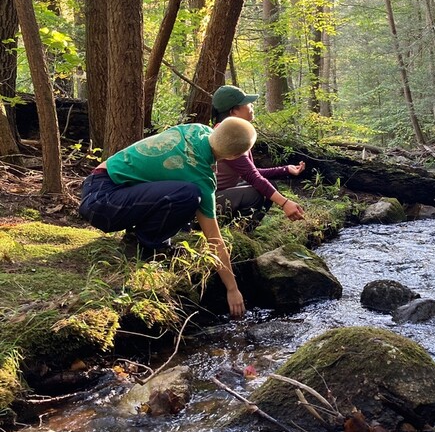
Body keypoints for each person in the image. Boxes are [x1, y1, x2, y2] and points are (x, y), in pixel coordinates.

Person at [78, 117, 258, 318]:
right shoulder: (201, 178)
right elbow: (215, 241)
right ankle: (143, 245)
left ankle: (149, 240)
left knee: (184, 192)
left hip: (98, 185)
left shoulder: (196, 129)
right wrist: (232, 289)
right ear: (234, 157)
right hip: (103, 202)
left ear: (216, 128)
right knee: (189, 195)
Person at [211, 85, 305, 228]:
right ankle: (238, 233)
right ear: (233, 111)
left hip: (216, 196)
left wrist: (285, 170)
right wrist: (285, 203)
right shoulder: (228, 135)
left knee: (268, 186)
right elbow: (253, 176)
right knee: (259, 192)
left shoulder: (227, 130)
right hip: (208, 203)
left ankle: (237, 231)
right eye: (247, 103)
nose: (251, 106)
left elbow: (248, 173)